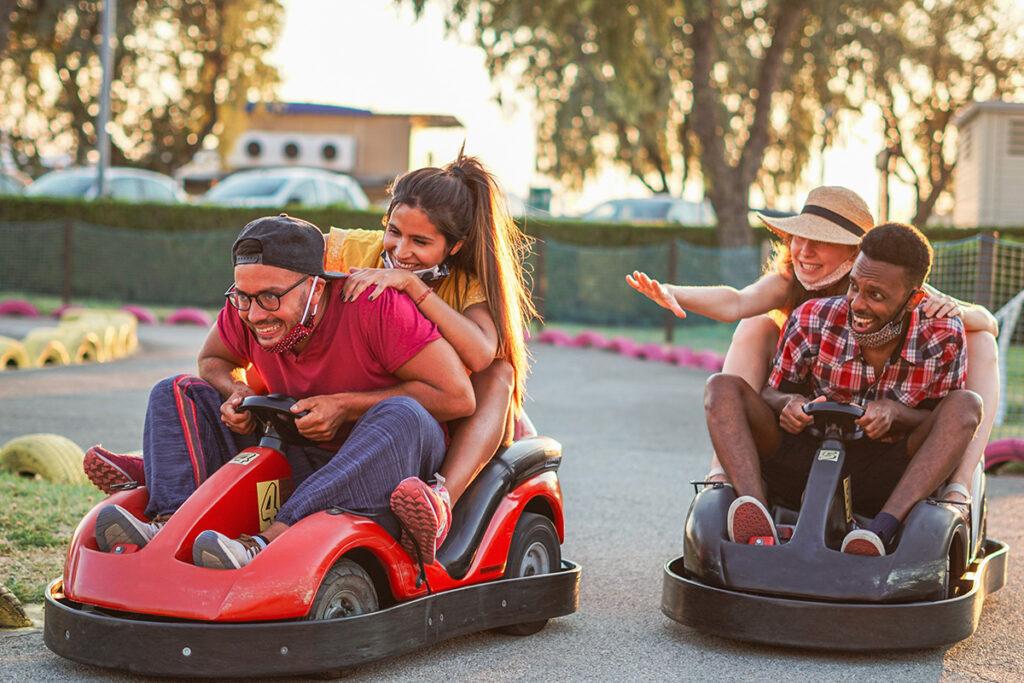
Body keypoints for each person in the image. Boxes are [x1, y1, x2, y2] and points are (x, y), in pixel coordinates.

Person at [92, 214, 475, 569]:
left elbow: (458, 396)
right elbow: (212, 359)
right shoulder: (248, 305)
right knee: (176, 390)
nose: (256, 315)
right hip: (296, 453)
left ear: (315, 287)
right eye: (243, 297)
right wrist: (235, 390)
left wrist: (345, 407)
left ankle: (264, 545)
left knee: (401, 413)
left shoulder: (376, 306)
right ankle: (170, 526)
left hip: (387, 462)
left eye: (271, 297)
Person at [626, 186, 998, 511]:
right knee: (754, 322)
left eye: (819, 241)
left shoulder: (893, 283)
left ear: (855, 252)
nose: (803, 250)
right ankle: (724, 478)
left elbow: (987, 322)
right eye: (799, 238)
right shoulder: (793, 289)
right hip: (806, 415)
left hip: (877, 433)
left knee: (981, 340)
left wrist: (958, 311)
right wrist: (674, 293)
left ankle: (958, 486)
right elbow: (735, 302)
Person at [705, 222, 982, 556]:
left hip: (888, 473)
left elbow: (939, 421)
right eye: (854, 286)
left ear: (914, 300)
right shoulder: (812, 317)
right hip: (806, 459)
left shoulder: (942, 334)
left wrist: (896, 414)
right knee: (721, 388)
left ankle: (879, 532)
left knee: (967, 405)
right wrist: (788, 402)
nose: (857, 303)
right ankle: (756, 516)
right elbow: (769, 395)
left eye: (875, 295)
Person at [321, 151, 536, 563]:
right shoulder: (350, 248)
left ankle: (440, 503)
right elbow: (287, 265)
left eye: (421, 242)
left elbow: (480, 350)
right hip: (384, 403)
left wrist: (410, 287)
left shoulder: (464, 285)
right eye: (395, 232)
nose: (401, 251)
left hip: (452, 419)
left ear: (454, 246)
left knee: (499, 373)